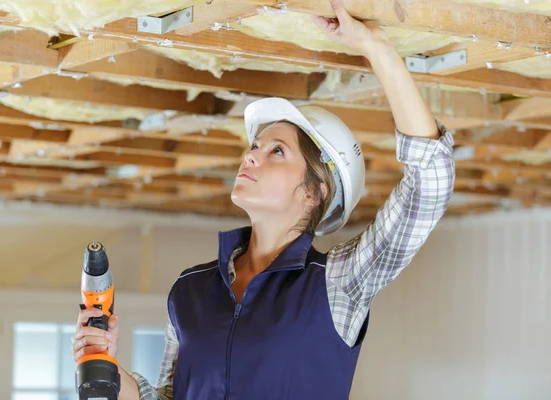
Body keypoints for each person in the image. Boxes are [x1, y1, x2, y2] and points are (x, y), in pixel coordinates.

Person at [72, 1, 456, 399]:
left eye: (277, 151)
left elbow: (429, 183)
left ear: (313, 191)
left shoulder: (336, 285)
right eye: (256, 145)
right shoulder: (190, 290)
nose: (250, 155)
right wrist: (111, 370)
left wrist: (377, 48)